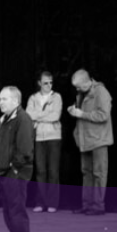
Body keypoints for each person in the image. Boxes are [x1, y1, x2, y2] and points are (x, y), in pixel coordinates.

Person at [0, 85, 37, 232]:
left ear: (16, 101)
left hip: (15, 174)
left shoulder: (23, 119)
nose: (0, 102)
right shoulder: (5, 119)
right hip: (4, 172)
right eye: (0, 99)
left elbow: (25, 149)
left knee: (16, 213)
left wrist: (14, 168)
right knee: (9, 214)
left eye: (4, 99)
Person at [69, 68, 112, 215]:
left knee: (99, 173)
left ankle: (98, 206)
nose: (77, 89)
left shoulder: (101, 92)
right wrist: (74, 111)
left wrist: (82, 114)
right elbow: (83, 114)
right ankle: (87, 205)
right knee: (86, 172)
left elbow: (104, 115)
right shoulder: (81, 94)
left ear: (87, 82)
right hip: (85, 139)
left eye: (78, 86)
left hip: (99, 139)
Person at [27, 71, 65, 213]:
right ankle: (40, 202)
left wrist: (38, 117)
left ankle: (52, 203)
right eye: (45, 83)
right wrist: (44, 115)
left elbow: (55, 116)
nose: (49, 85)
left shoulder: (57, 97)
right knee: (40, 171)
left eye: (51, 82)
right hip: (39, 137)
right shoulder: (33, 98)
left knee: (53, 171)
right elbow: (28, 115)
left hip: (54, 136)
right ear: (39, 83)